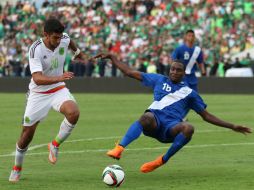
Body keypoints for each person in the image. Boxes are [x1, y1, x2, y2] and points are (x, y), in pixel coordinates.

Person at [94, 53, 252, 173]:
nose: (174, 72)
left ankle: (161, 160)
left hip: (170, 129)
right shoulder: (159, 80)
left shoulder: (189, 93)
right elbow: (129, 72)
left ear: (184, 73)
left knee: (189, 128)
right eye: (173, 69)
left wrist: (232, 126)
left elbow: (206, 116)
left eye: (178, 70)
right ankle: (119, 148)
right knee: (146, 116)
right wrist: (112, 58)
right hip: (153, 122)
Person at [9, 18, 90, 182]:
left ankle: (54, 144)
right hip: (38, 93)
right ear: (45, 34)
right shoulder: (35, 49)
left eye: (60, 37)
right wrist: (60, 76)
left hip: (58, 89)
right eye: (55, 37)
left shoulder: (64, 39)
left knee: (73, 112)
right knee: (27, 135)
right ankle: (17, 168)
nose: (58, 40)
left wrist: (78, 54)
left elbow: (70, 41)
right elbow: (37, 79)